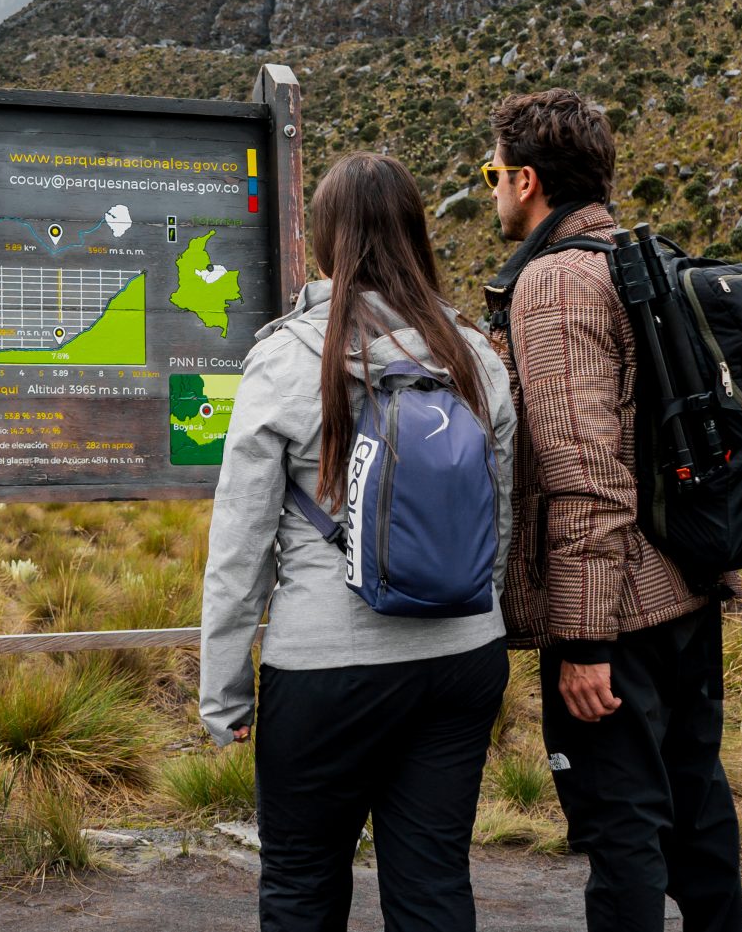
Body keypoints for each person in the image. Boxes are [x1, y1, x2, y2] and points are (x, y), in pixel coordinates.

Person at [200, 151, 518, 932]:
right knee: (435, 883)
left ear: (325, 242)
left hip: (323, 670)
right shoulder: (474, 358)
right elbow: (499, 520)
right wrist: (478, 616)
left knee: (303, 886)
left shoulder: (284, 359)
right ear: (415, 233)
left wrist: (225, 693)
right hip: (460, 659)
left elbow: (239, 549)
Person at [481, 89, 742, 932]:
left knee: (623, 831)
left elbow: (585, 471)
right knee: (700, 820)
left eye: (492, 171)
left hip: (618, 618)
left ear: (526, 180)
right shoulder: (644, 257)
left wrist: (585, 640)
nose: (489, 187)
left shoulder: (555, 284)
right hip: (688, 584)